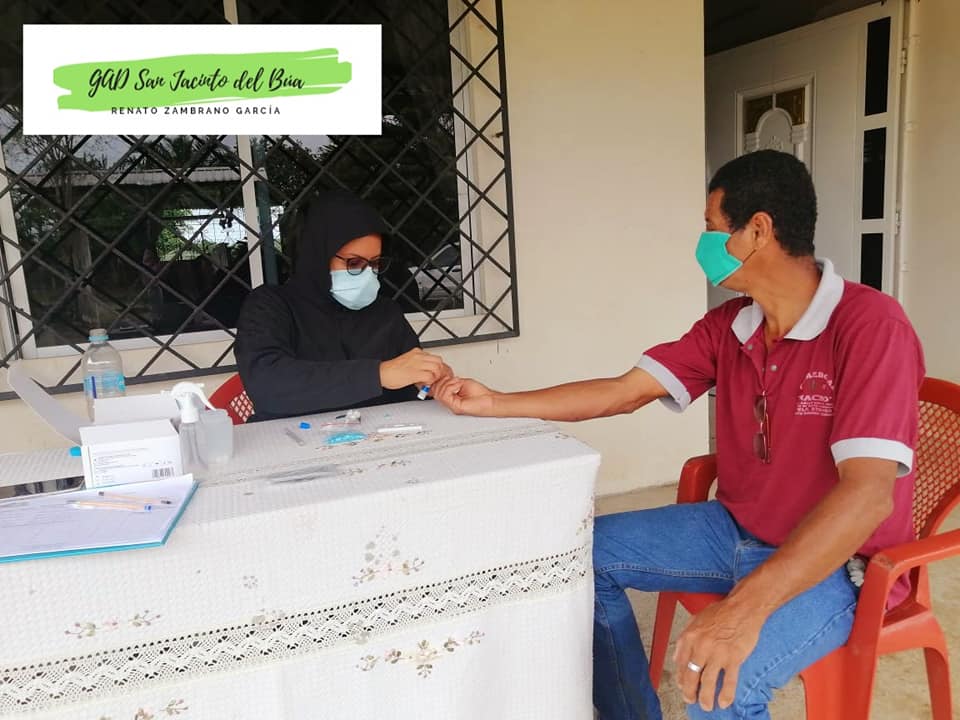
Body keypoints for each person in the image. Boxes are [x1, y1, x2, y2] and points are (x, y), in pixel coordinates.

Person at [431, 150, 924, 720]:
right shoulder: (731, 325)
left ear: (757, 231)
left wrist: (744, 608)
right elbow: (623, 391)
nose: (703, 244)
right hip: (734, 527)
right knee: (578, 557)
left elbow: (868, 494)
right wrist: (495, 402)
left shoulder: (870, 326)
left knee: (714, 680)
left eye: (712, 228)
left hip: (841, 562)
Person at [235, 190, 451, 422]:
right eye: (354, 263)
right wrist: (378, 374)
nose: (367, 274)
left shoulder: (385, 313)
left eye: (375, 263)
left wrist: (432, 382)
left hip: (381, 435)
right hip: (287, 438)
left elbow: (412, 386)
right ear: (316, 256)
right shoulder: (270, 306)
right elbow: (267, 384)